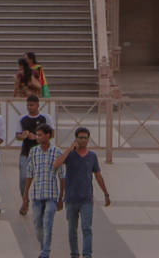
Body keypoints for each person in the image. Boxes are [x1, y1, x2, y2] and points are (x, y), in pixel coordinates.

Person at [55, 126, 110, 258]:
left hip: (86, 199)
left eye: (85, 138)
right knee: (72, 230)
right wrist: (69, 149)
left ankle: (87, 254)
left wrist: (106, 194)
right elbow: (57, 164)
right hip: (71, 198)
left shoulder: (92, 156)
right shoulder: (70, 155)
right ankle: (74, 253)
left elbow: (98, 175)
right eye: (80, 138)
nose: (83, 140)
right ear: (76, 139)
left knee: (87, 229)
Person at [22, 123, 64, 258]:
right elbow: (29, 173)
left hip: (51, 194)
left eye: (40, 135)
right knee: (38, 225)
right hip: (37, 194)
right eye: (37, 135)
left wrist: (61, 197)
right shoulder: (34, 152)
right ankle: (43, 247)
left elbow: (62, 175)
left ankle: (45, 252)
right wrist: (25, 194)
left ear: (48, 135)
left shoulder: (57, 152)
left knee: (48, 223)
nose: (38, 137)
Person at [17, 95, 50, 201]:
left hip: (42, 153)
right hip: (26, 153)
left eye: (32, 105)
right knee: (23, 178)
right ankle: (24, 199)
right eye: (28, 105)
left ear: (37, 105)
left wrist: (36, 137)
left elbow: (51, 134)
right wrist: (23, 136)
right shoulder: (22, 119)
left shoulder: (45, 118)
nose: (29, 107)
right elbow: (18, 135)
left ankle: (40, 200)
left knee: (41, 179)